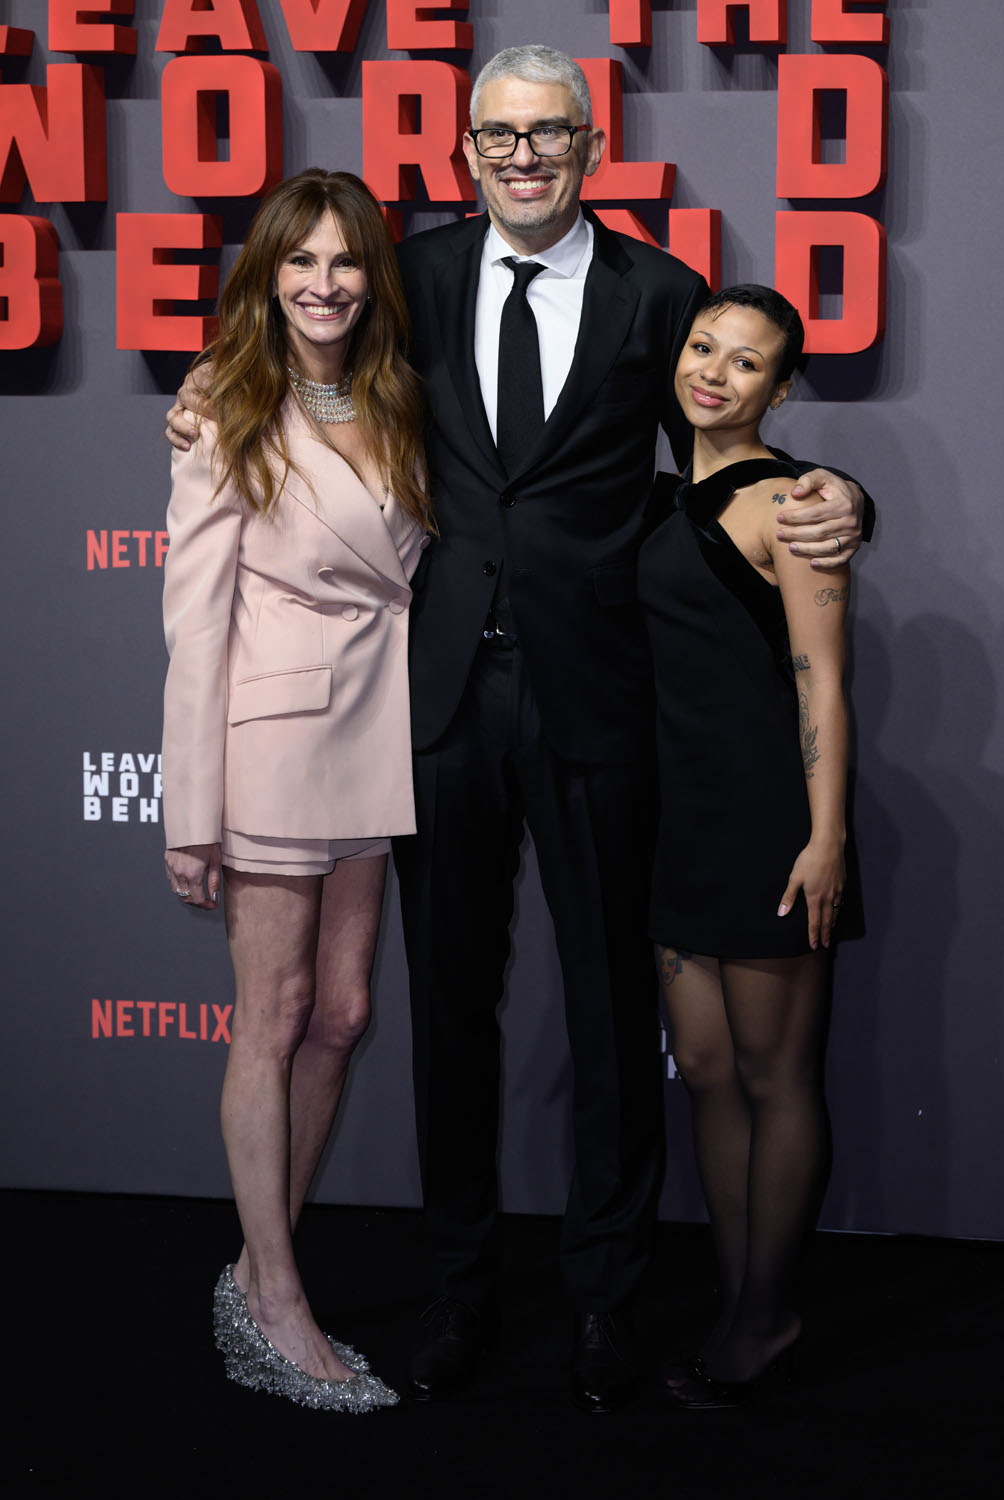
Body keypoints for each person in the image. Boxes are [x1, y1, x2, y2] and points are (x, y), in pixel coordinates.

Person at [166, 46, 870, 1414]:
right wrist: (209, 390)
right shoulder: (409, 278)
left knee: (610, 1012)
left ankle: (604, 1298)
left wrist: (840, 495)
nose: (524, 157)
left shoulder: (659, 294)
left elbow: (726, 448)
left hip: (602, 698)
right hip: (427, 704)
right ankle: (461, 1289)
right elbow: (298, 363)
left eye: (549, 134)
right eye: (499, 136)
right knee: (444, 1016)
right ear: (467, 152)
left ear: (592, 147)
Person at [161, 168, 432, 1412]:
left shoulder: (398, 398)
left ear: (373, 276)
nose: (324, 283)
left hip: (379, 735)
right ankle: (274, 1298)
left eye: (345, 260)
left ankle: (254, 1266)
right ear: (266, 278)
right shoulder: (227, 410)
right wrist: (191, 812)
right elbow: (193, 621)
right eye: (300, 261)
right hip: (272, 742)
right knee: (270, 1018)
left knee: (344, 1013)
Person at [639, 284, 863, 1408]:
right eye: (702, 347)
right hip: (676, 824)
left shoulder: (794, 504)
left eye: (745, 362)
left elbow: (821, 681)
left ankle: (768, 1318)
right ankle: (737, 1303)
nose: (713, 373)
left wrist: (826, 838)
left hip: (771, 825)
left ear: (779, 390)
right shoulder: (655, 494)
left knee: (776, 1077)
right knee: (710, 1075)